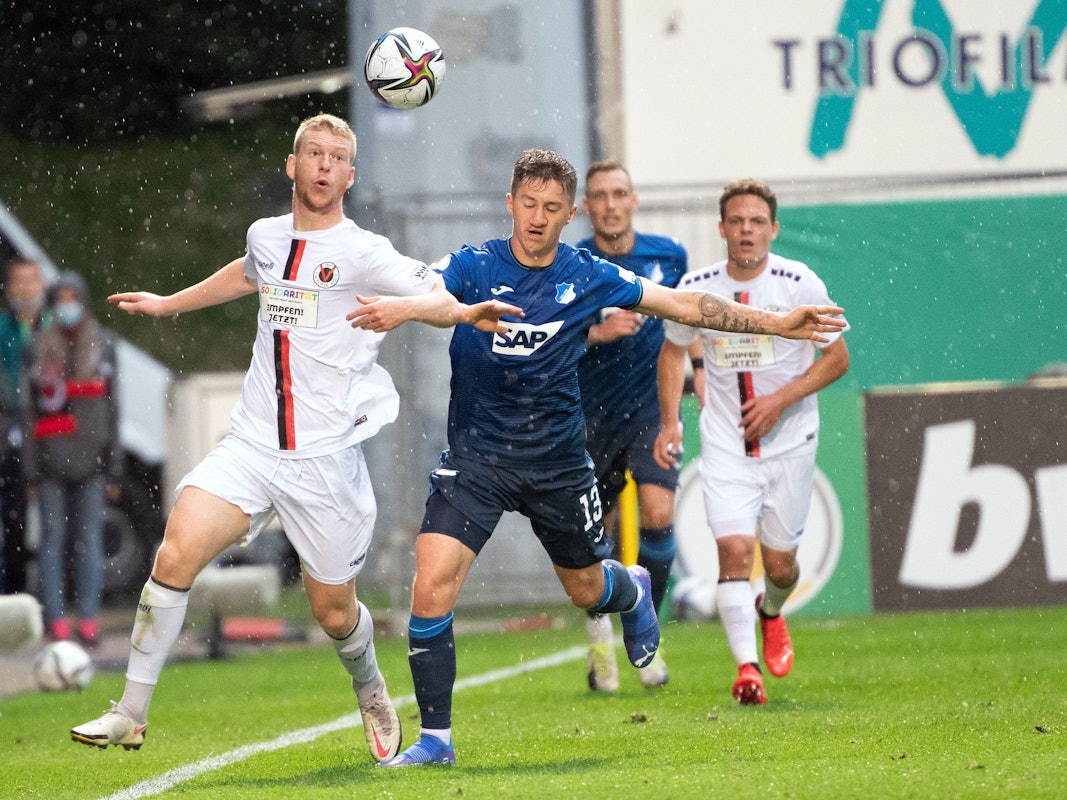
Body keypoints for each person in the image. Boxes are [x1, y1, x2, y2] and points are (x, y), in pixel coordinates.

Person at [347, 149, 846, 766]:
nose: (537, 217)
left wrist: (776, 322)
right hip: (477, 458)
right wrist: (404, 307)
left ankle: (631, 591)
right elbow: (424, 291)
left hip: (557, 460)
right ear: (510, 203)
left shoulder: (587, 274)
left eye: (552, 208)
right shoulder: (473, 264)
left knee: (586, 590)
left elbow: (685, 308)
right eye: (527, 204)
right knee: (431, 582)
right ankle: (436, 741)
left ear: (571, 213)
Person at [69, 113, 518, 763]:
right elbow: (250, 272)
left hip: (323, 462)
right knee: (172, 556)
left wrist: (448, 311)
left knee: (334, 615)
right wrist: (169, 303)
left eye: (337, 156)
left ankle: (368, 683)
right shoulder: (266, 236)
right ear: (292, 164)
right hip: (250, 446)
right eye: (314, 152)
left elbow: (437, 293)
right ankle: (130, 713)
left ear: (350, 175)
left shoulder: (363, 252)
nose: (324, 164)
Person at [654, 178, 850, 706]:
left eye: (757, 222)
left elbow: (838, 358)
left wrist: (780, 399)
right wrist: (671, 420)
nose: (746, 230)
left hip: (790, 441)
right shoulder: (696, 285)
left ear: (773, 229)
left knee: (780, 566)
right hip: (725, 443)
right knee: (734, 552)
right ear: (721, 228)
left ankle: (771, 611)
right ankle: (746, 670)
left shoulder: (799, 282)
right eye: (737, 221)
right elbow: (673, 353)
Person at [575, 161, 688, 690]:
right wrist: (598, 331)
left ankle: (647, 632)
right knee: (592, 538)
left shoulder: (668, 256)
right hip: (585, 417)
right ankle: (599, 643)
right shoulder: (572, 263)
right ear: (586, 207)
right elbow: (545, 337)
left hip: (648, 413)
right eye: (600, 196)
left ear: (634, 200)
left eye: (619, 193)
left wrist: (700, 376)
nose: (611, 204)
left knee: (658, 513)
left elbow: (685, 327)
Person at [21, 270, 120, 646]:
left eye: (72, 299)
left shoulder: (102, 345)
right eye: (59, 301)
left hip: (92, 461)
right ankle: (56, 619)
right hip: (49, 463)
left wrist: (113, 466)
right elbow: (30, 413)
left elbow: (113, 408)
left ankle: (89, 618)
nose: (67, 308)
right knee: (52, 543)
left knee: (89, 541)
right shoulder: (38, 347)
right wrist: (31, 470)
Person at [0, 256, 51, 595]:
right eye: (18, 281)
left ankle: (55, 606)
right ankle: (15, 597)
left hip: (49, 435)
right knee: (12, 524)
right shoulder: (3, 330)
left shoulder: (54, 329)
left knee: (55, 525)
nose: (25, 289)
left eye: (31, 281)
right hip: (8, 438)